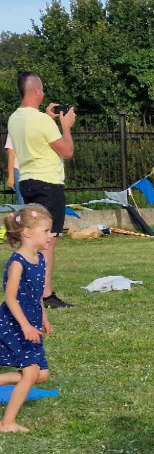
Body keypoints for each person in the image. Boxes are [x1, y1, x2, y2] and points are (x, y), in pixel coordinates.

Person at [6, 72, 74, 308]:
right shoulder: (42, 121)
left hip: (27, 182)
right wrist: (66, 126)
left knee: (32, 238)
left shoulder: (14, 118)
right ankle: (45, 294)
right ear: (37, 91)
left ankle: (29, 288)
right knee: (48, 238)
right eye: (42, 89)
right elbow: (66, 151)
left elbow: (34, 136)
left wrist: (46, 117)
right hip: (48, 184)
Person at [0, 206, 54, 432]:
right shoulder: (17, 263)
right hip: (16, 323)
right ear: (27, 233)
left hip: (32, 322)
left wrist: (44, 317)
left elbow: (36, 294)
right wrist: (24, 326)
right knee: (30, 373)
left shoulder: (40, 259)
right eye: (46, 231)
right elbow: (10, 298)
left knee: (41, 375)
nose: (51, 236)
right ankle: (7, 422)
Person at [5, 134, 24, 205]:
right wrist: (11, 176)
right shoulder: (13, 129)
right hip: (19, 169)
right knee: (22, 201)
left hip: (36, 169)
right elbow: (11, 155)